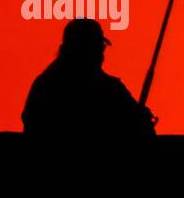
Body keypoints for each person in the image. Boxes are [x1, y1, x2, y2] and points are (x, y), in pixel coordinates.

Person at [22, 18, 156, 139]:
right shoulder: (109, 89)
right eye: (98, 47)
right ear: (85, 49)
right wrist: (140, 119)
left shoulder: (45, 83)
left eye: (101, 47)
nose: (102, 53)